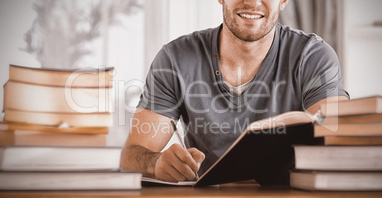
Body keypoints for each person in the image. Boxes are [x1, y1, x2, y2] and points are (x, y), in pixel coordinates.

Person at [120, 0, 349, 184]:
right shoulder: (175, 59)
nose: (252, 2)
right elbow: (131, 155)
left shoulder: (314, 56)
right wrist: (156, 163)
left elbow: (334, 143)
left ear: (284, 1)